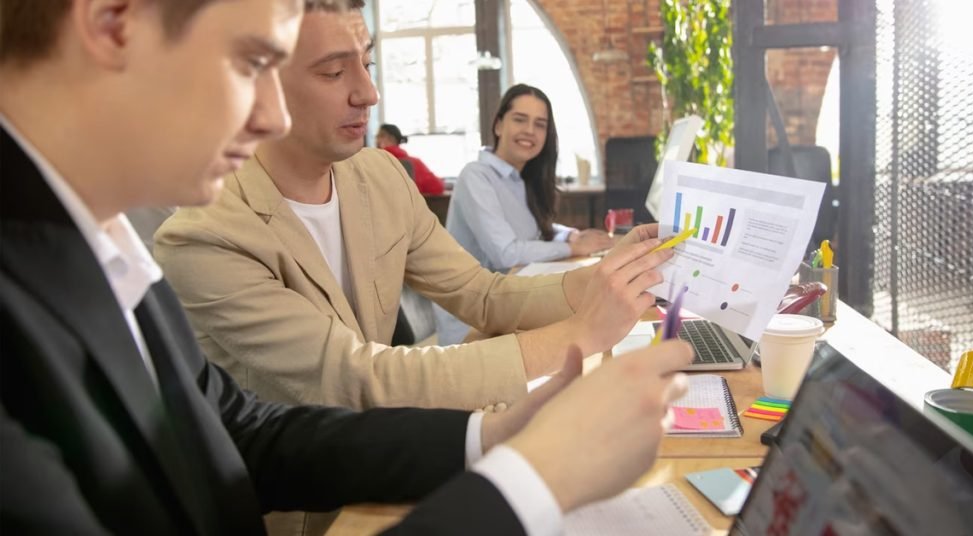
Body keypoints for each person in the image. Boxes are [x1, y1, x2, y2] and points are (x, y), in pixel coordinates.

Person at [0, 0, 696, 534]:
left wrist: (491, 436)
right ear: (113, 21)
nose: (270, 116)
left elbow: (239, 429)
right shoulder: (181, 237)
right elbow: (348, 379)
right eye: (249, 65)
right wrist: (535, 478)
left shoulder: (104, 241)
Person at [153, 4, 671, 414]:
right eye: (335, 72)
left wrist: (606, 275)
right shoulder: (206, 234)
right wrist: (580, 335)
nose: (369, 92)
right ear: (261, 79)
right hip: (317, 506)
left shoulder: (378, 176)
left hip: (399, 443)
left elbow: (483, 294)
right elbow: (359, 377)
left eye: (368, 64)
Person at [436, 84, 614, 344]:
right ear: (498, 125)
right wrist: (572, 249)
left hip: (507, 310)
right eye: (520, 119)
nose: (530, 130)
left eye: (540, 124)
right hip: (473, 328)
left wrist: (571, 234)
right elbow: (506, 253)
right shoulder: (475, 176)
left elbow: (532, 231)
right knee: (587, 331)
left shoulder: (518, 179)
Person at [375, 123, 445, 195]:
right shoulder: (415, 162)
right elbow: (437, 187)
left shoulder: (373, 162)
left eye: (380, 136)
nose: (376, 140)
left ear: (391, 138)